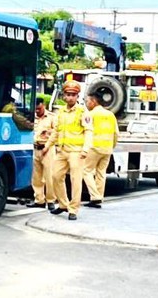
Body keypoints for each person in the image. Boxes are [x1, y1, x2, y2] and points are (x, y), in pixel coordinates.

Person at [43, 80, 93, 221]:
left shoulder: (83, 112)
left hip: (77, 152)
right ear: (64, 96)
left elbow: (89, 131)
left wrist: (85, 149)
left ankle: (73, 209)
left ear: (77, 97)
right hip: (63, 150)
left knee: (75, 180)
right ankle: (63, 204)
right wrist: (47, 146)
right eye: (68, 94)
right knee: (55, 176)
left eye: (73, 95)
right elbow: (56, 132)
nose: (70, 97)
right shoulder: (61, 112)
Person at [82, 91, 118, 208]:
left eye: (87, 101)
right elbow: (116, 133)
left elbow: (85, 131)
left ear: (93, 101)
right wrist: (112, 146)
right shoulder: (110, 115)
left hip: (94, 146)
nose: (86, 104)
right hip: (107, 148)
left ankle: (95, 196)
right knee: (101, 173)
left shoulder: (90, 115)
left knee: (86, 171)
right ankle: (99, 198)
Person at [27, 97, 56, 210]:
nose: (37, 111)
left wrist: (47, 144)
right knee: (36, 177)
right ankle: (39, 200)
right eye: (36, 109)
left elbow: (56, 133)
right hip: (35, 149)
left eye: (39, 108)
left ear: (43, 105)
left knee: (49, 177)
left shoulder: (51, 118)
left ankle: (51, 200)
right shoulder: (31, 117)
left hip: (47, 149)